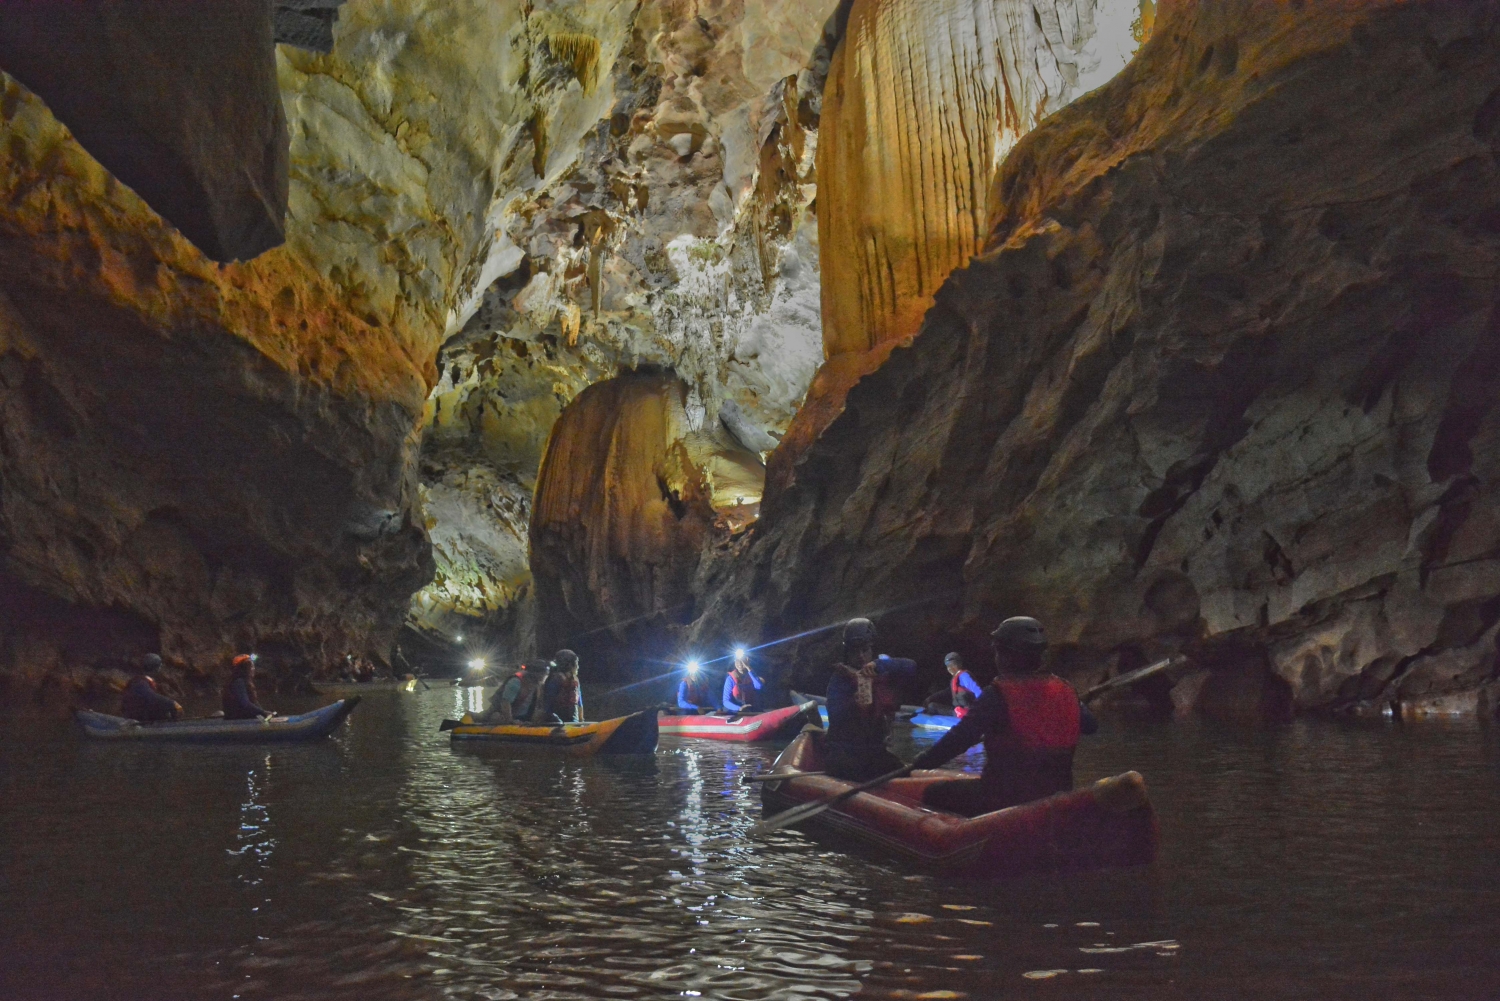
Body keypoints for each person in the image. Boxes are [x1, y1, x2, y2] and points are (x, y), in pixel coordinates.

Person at [909, 617, 1098, 817]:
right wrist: (1076, 703)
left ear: (1006, 655)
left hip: (1002, 797)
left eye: (998, 651)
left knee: (932, 794)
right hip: (1056, 793)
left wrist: (921, 763)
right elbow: (1091, 726)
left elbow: (959, 739)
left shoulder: (997, 695)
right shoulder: (1066, 690)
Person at [823, 618, 917, 780]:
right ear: (847, 653)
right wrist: (854, 705)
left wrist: (879, 664)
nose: (860, 656)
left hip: (874, 751)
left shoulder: (880, 670)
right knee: (857, 770)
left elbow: (911, 666)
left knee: (902, 773)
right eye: (855, 651)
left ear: (871, 649)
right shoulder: (839, 679)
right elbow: (835, 716)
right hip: (844, 752)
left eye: (865, 650)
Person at [481, 661, 551, 723]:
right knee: (497, 717)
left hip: (523, 717)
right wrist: (510, 720)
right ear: (537, 674)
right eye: (545, 674)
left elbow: (538, 706)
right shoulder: (516, 682)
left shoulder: (538, 686)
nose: (545, 676)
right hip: (502, 715)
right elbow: (505, 702)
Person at [120, 654, 182, 722]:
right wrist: (172, 703)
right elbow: (150, 697)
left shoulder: (142, 682)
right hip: (137, 723)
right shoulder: (139, 683)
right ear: (157, 669)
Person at [539, 650, 584, 723]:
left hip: (572, 721)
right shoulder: (555, 680)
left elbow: (579, 702)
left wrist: (581, 721)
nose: (577, 666)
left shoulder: (574, 680)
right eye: (576, 663)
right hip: (556, 721)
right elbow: (548, 703)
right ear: (571, 664)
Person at [222, 655, 273, 720]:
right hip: (237, 719)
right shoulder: (238, 682)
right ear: (244, 669)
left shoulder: (245, 682)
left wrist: (264, 712)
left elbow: (254, 702)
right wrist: (263, 712)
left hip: (243, 716)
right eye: (251, 667)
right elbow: (245, 704)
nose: (253, 669)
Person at [721, 649, 763, 713]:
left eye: (742, 661)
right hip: (736, 710)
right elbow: (726, 701)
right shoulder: (730, 679)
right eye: (737, 661)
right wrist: (739, 708)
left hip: (751, 708)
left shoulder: (752, 675)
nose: (740, 663)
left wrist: (748, 667)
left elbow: (759, 686)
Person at [945, 652, 984, 719]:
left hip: (967, 712)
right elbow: (948, 692)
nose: (950, 668)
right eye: (948, 666)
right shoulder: (955, 678)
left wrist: (979, 712)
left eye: (953, 665)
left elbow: (978, 693)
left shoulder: (964, 676)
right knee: (932, 705)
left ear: (959, 664)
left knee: (932, 707)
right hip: (958, 711)